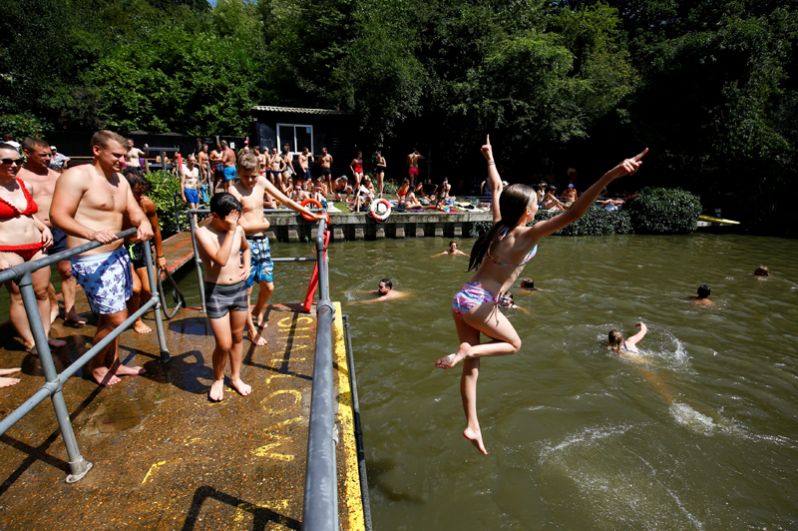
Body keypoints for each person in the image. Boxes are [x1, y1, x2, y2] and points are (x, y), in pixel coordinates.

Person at [435, 135, 647, 455]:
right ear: (525, 211)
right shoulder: (526, 234)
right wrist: (611, 174)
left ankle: (473, 424)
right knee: (512, 345)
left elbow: (495, 188)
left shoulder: (498, 226)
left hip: (462, 299)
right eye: (536, 204)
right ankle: (465, 352)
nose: (540, 206)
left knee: (473, 366)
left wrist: (490, 158)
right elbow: (575, 213)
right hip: (480, 304)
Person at [50, 130, 154, 386]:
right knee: (116, 319)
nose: (123, 161)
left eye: (125, 156)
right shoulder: (77, 175)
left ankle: (114, 363)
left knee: (115, 317)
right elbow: (58, 215)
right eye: (117, 155)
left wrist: (142, 224)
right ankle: (95, 366)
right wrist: (92, 233)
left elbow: (134, 210)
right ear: (97, 150)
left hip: (117, 255)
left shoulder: (120, 179)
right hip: (92, 258)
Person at [229, 153, 322, 346]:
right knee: (245, 291)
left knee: (269, 286)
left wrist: (311, 213)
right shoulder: (233, 190)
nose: (250, 181)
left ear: (259, 172)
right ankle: (252, 331)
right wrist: (263, 225)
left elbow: (286, 201)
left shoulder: (261, 182)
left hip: (262, 243)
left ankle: (256, 311)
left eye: (253, 176)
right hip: (243, 245)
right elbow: (233, 226)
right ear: (238, 172)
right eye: (246, 176)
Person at [0, 142, 62, 353]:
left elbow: (27, 213)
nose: (14, 165)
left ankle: (43, 337)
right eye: (7, 161)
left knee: (42, 292)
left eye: (17, 161)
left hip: (36, 245)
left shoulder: (24, 185)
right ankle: (29, 341)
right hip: (8, 249)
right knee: (18, 296)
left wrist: (41, 225)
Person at [18, 138, 85, 327]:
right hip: (35, 230)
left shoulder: (57, 176)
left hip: (59, 228)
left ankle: (71, 312)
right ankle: (54, 304)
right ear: (27, 153)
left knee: (67, 271)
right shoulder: (19, 176)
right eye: (43, 155)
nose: (48, 158)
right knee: (42, 277)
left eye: (49, 155)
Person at [194, 192, 251, 402]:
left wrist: (248, 264)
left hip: (238, 289)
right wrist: (231, 231)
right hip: (216, 292)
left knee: (237, 337)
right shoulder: (202, 233)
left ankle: (235, 377)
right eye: (231, 218)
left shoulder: (238, 229)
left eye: (237, 218)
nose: (235, 222)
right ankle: (218, 378)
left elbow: (246, 248)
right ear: (215, 215)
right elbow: (220, 259)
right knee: (224, 343)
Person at [124, 169, 167, 334]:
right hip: (124, 248)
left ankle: (134, 310)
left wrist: (160, 255)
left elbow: (156, 230)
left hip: (142, 248)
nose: (140, 196)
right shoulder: (119, 206)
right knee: (135, 288)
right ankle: (136, 320)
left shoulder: (147, 204)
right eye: (136, 193)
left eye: (142, 192)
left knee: (149, 289)